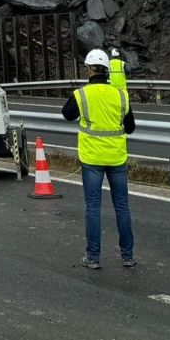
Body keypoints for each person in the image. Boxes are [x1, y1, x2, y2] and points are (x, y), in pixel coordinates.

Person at [63, 48, 136, 269]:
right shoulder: (121, 95)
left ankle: (93, 257)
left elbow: (67, 114)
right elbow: (130, 128)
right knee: (122, 207)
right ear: (107, 71)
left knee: (93, 207)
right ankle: (127, 256)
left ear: (88, 69)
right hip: (116, 158)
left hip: (92, 158)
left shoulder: (82, 94)